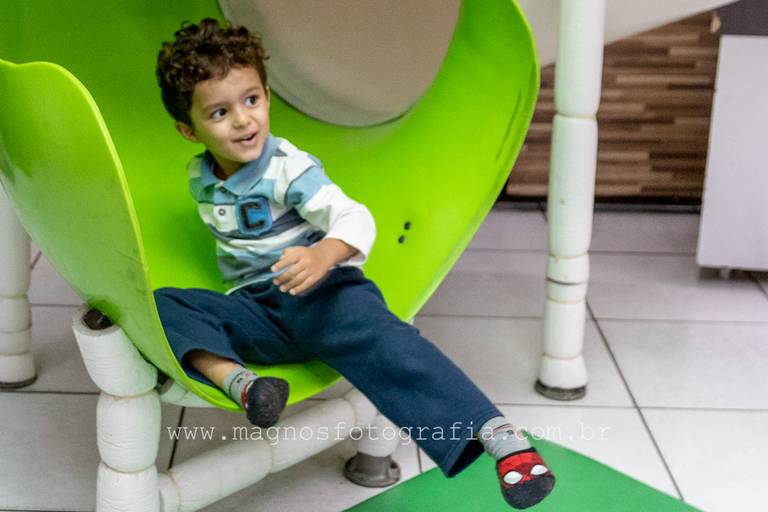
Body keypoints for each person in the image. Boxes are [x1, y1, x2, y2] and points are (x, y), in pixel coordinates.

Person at [154, 18, 554, 509]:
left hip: (320, 294)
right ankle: (246, 386)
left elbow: (354, 217)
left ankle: (500, 439)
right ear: (188, 130)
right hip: (257, 310)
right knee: (164, 305)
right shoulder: (200, 176)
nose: (243, 120)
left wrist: (323, 254)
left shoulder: (288, 168)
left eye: (252, 99)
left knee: (391, 342)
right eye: (220, 112)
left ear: (267, 96)